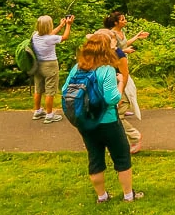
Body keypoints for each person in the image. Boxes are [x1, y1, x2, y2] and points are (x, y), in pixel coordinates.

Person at [62, 33, 144, 203]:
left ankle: (102, 196)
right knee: (121, 157)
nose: (114, 47)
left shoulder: (77, 68)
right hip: (108, 121)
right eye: (111, 45)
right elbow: (112, 99)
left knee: (95, 158)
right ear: (104, 49)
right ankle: (129, 195)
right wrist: (120, 82)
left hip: (86, 122)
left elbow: (65, 91)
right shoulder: (106, 70)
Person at [103, 14, 143, 153]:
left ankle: (133, 137)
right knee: (111, 117)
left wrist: (119, 94)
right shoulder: (110, 51)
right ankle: (115, 144)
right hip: (115, 83)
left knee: (115, 117)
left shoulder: (117, 54)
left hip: (119, 83)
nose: (125, 21)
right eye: (122, 19)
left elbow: (123, 75)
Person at [32, 14, 74, 124]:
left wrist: (60, 26)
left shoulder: (35, 35)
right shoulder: (50, 38)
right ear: (48, 26)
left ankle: (37, 111)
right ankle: (49, 115)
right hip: (50, 65)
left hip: (37, 65)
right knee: (50, 90)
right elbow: (65, 37)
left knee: (38, 89)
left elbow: (50, 34)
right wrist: (68, 25)